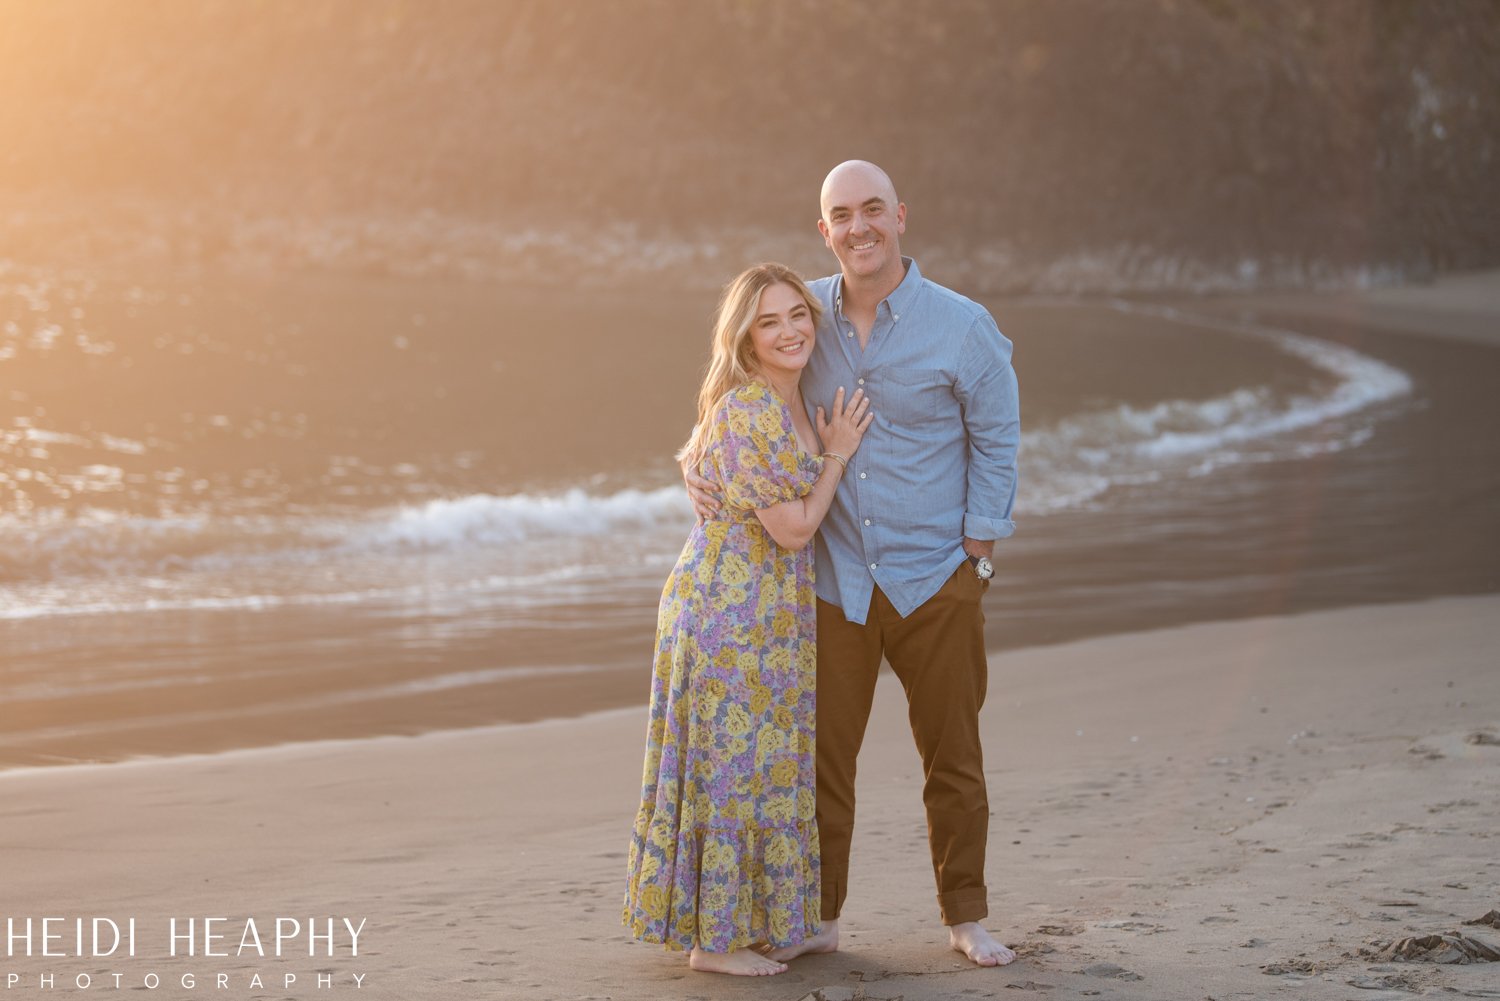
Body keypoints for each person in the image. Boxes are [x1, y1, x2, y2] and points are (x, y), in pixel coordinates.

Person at [687, 161, 1021, 967]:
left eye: (873, 209)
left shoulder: (964, 326)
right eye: (842, 214)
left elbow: (998, 439)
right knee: (820, 765)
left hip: (935, 577)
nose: (859, 226)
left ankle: (965, 914)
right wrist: (698, 466)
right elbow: (737, 383)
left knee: (954, 759)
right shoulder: (801, 313)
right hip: (834, 583)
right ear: (824, 228)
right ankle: (820, 914)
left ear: (900, 216)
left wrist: (975, 554)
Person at [623, 263, 874, 977]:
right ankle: (714, 941)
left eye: (798, 314)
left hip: (771, 614)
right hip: (724, 613)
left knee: (766, 765)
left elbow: (713, 459)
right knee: (729, 770)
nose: (790, 330)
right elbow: (794, 528)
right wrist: (837, 457)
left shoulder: (788, 400)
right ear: (746, 336)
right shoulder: (751, 408)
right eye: (769, 321)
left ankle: (777, 923)